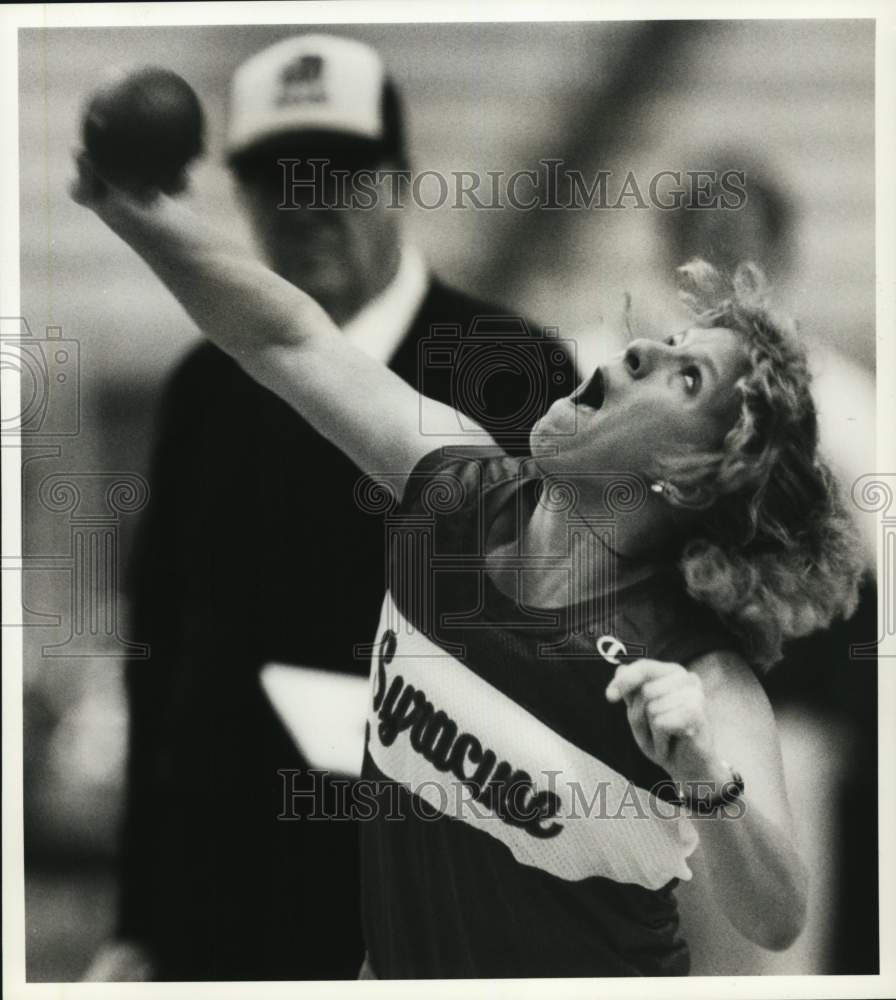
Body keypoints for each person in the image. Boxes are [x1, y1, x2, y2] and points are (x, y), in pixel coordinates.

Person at [72, 138, 864, 977]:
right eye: (670, 341)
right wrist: (142, 214)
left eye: (687, 379)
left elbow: (777, 916)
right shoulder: (457, 490)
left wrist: (704, 774)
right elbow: (287, 338)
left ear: (693, 477)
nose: (643, 351)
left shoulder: (695, 675)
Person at [91, 35, 577, 982]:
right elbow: (158, 657)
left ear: (398, 179)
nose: (304, 201)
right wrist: (137, 918)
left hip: (421, 902)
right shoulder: (203, 386)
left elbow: (555, 658)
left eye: (337, 172)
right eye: (275, 174)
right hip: (219, 903)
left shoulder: (512, 371)